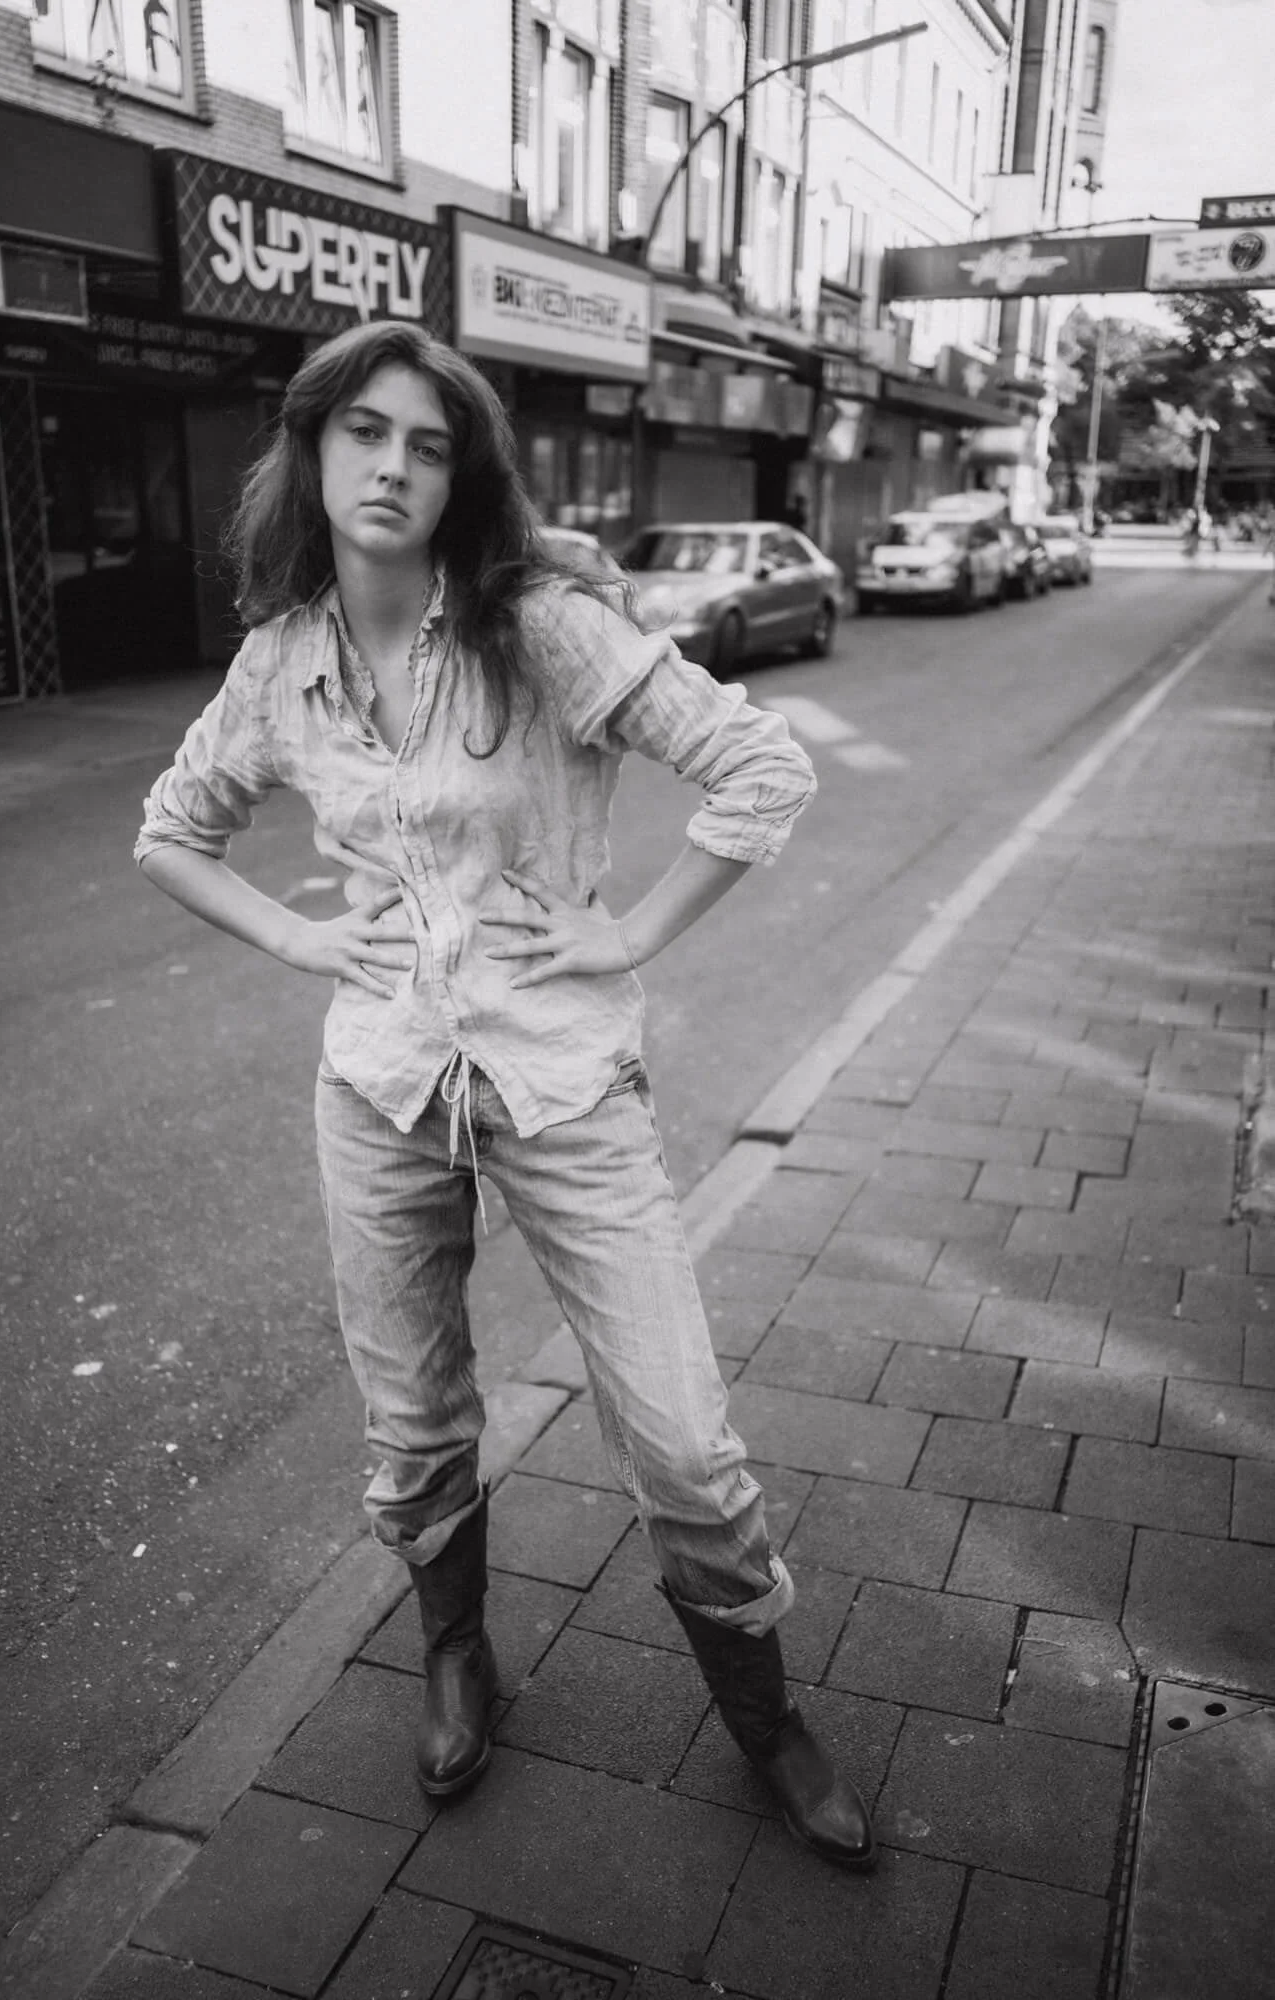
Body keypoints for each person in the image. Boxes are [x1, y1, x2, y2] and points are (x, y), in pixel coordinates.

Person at [134, 320, 876, 1872]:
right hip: (385, 1085)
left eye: (426, 441)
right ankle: (458, 1654)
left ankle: (764, 1716)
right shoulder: (282, 661)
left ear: (461, 469)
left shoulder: (538, 625)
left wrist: (628, 930)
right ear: (313, 451)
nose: (393, 465)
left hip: (562, 1081)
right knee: (413, 1430)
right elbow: (170, 831)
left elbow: (763, 770)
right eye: (364, 435)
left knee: (680, 1441)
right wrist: (299, 937)